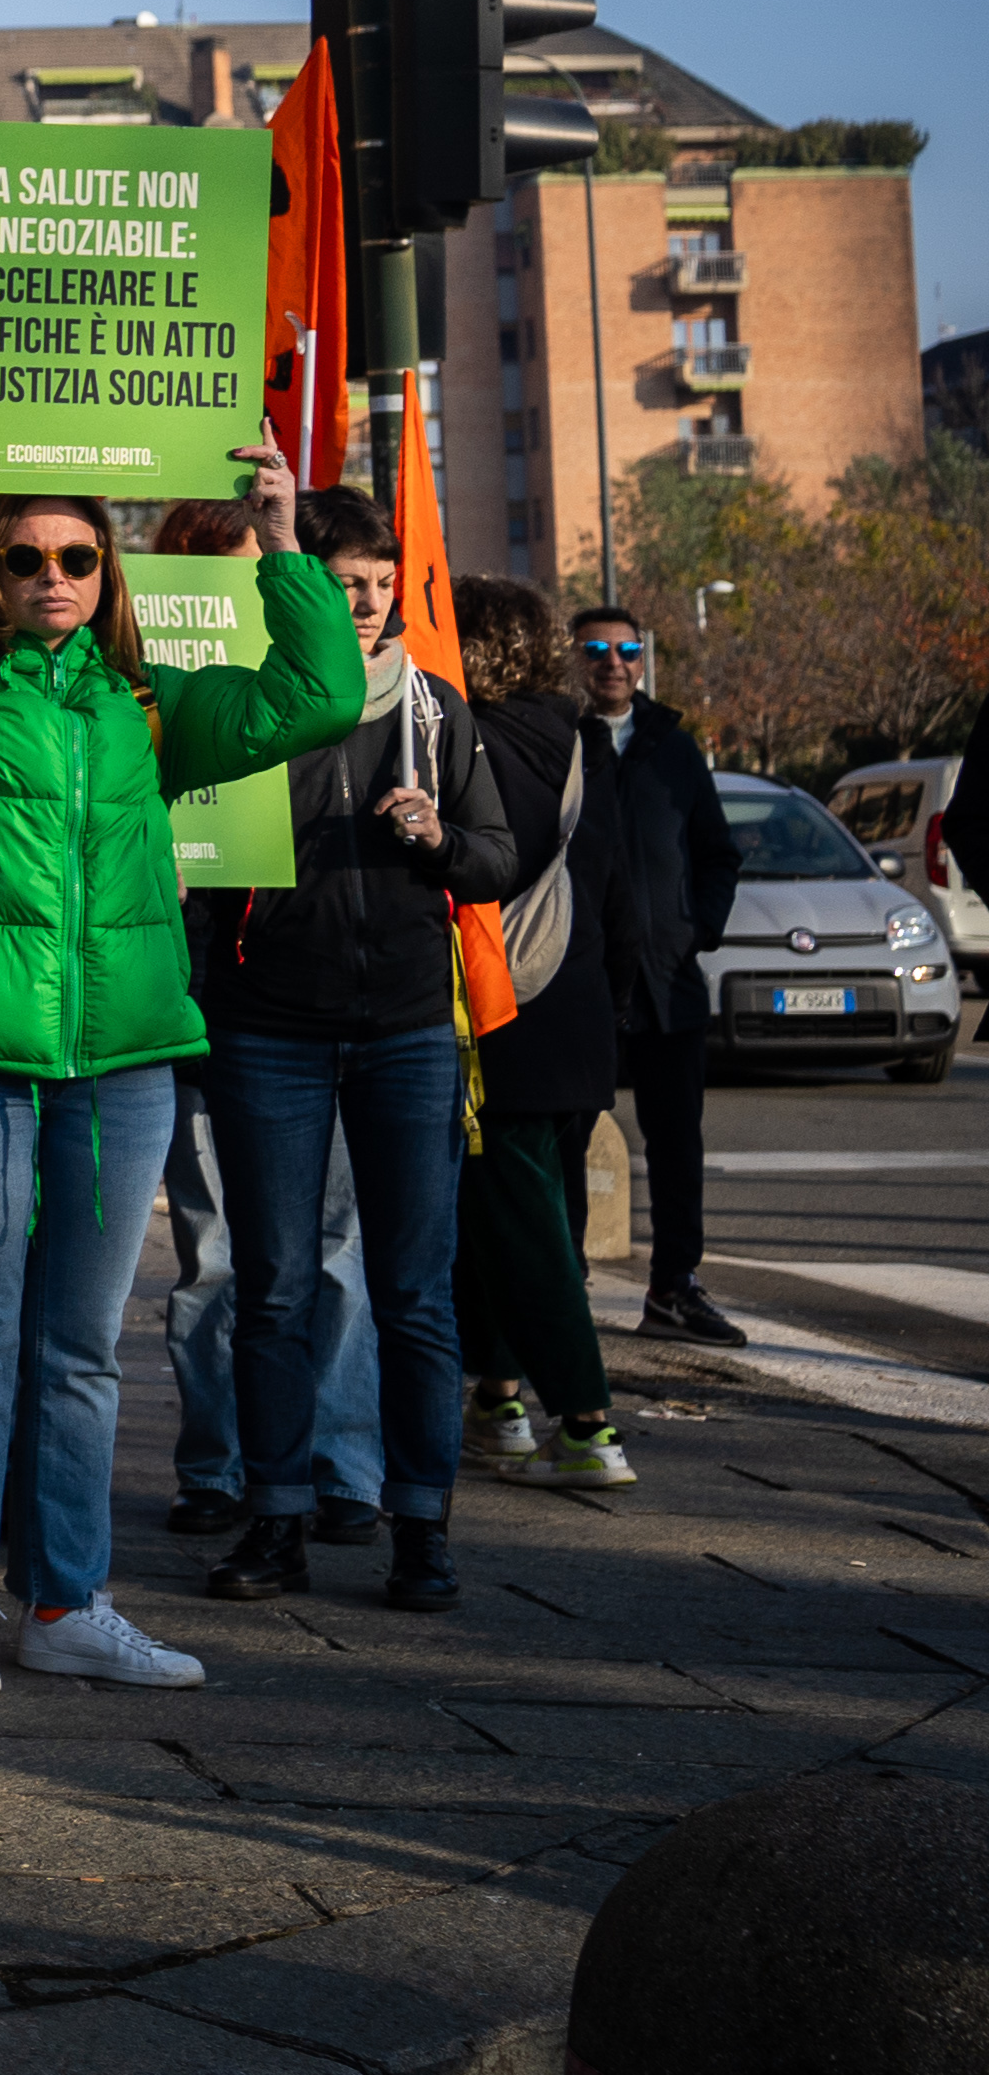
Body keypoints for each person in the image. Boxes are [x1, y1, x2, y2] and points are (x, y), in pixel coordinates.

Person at [0, 446, 356, 1694]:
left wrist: (283, 537)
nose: (54, 576)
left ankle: (64, 1602)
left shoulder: (151, 708)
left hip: (123, 1065)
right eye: (25, 557)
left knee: (82, 1347)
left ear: (110, 574)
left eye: (79, 558)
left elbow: (317, 698)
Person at [205, 480, 522, 1618]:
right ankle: (277, 1514)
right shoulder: (253, 701)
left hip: (404, 1034)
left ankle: (421, 1528)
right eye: (349, 584)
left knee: (414, 1295)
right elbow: (192, 850)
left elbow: (499, 859)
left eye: (385, 586)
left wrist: (440, 840)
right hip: (268, 1029)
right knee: (275, 1287)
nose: (373, 603)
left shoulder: (438, 711)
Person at [138, 497, 383, 1556]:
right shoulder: (157, 703)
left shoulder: (323, 705)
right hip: (197, 1011)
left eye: (259, 572)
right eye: (218, 573)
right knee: (213, 1256)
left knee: (328, 1251)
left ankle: (341, 1465)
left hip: (299, 1008)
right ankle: (216, 1465)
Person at [456, 584, 641, 1494]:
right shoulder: (580, 743)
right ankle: (497, 1402)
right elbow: (620, 898)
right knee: (521, 1221)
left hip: (506, 1016)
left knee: (527, 1235)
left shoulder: (470, 740)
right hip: (577, 1023)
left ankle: (588, 1423)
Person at [569, 603, 746, 1342]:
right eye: (598, 650)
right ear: (574, 659)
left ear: (644, 659)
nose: (615, 662)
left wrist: (696, 928)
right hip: (578, 983)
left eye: (629, 649)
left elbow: (717, 852)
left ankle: (674, 1287)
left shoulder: (673, 748)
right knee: (564, 1138)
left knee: (677, 1143)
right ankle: (561, 1289)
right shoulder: (558, 740)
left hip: (666, 981)